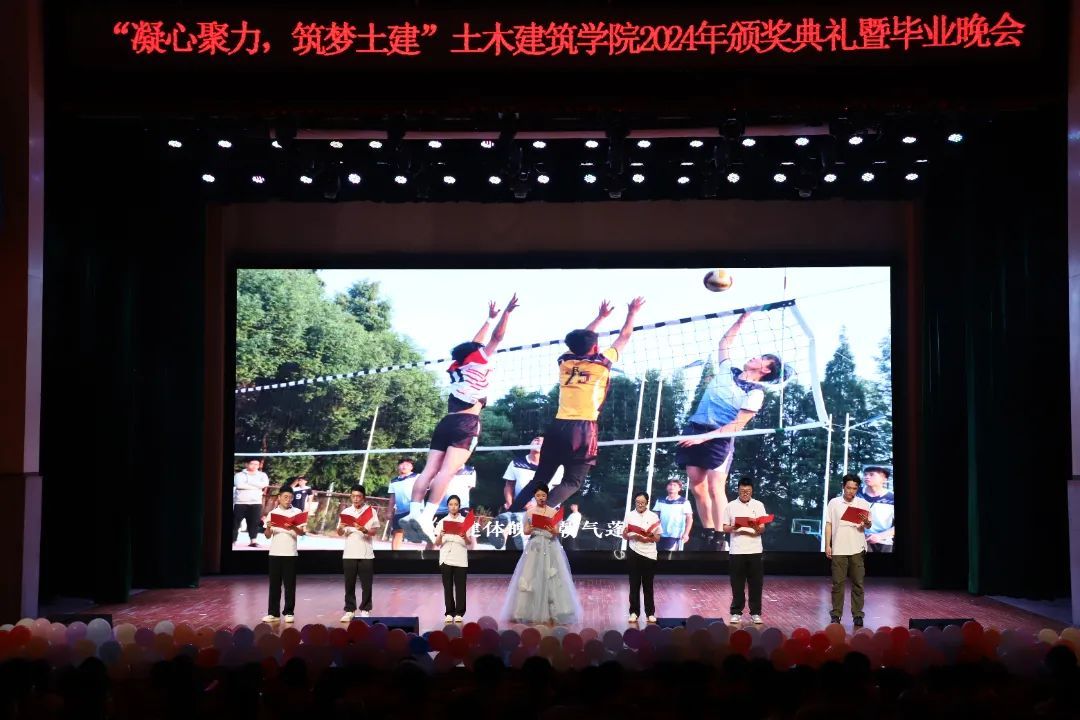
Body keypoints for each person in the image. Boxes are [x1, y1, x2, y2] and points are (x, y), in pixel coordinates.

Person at [508, 298, 646, 512]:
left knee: (540, 478)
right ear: (594, 346)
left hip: (558, 426)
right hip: (583, 428)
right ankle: (539, 512)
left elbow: (581, 339)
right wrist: (632, 312)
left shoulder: (565, 360)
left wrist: (600, 318)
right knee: (573, 482)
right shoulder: (602, 362)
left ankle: (512, 514)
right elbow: (625, 336)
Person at [401, 295, 519, 543]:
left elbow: (474, 343)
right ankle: (427, 517)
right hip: (466, 423)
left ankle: (414, 513)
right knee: (447, 471)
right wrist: (506, 313)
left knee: (429, 470)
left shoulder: (457, 366)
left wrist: (488, 319)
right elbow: (496, 338)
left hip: (446, 422)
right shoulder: (479, 362)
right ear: (475, 353)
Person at [676, 311, 787, 551]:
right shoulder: (729, 369)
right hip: (696, 427)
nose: (755, 357)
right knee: (696, 484)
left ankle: (720, 536)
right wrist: (743, 318)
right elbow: (724, 343)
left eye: (762, 359)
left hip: (719, 437)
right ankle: (708, 531)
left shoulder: (755, 393)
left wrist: (703, 438)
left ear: (766, 370)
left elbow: (736, 425)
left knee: (715, 486)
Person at [501, 487, 582, 625]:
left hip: (550, 545)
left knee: (552, 576)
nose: (541, 498)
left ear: (547, 496)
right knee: (531, 574)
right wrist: (532, 527)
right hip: (535, 546)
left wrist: (551, 529)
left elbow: (556, 531)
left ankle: (555, 611)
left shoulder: (553, 512)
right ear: (535, 496)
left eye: (543, 495)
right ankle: (526, 611)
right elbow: (525, 531)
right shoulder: (529, 512)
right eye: (538, 495)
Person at [825, 474, 873, 627]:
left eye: (854, 488)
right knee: (837, 583)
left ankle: (857, 615)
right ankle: (836, 614)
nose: (851, 491)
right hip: (839, 548)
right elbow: (829, 524)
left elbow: (868, 525)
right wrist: (827, 545)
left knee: (858, 583)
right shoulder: (834, 503)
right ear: (843, 487)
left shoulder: (863, 503)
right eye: (848, 488)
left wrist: (866, 522)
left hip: (857, 548)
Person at [501, 437, 565, 550]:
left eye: (543, 441)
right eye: (536, 439)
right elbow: (509, 486)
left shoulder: (557, 467)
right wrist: (511, 504)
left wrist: (537, 506)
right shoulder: (516, 463)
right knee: (514, 547)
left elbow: (558, 491)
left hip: (545, 513)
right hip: (519, 511)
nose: (539, 442)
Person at [722, 478, 768, 625]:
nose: (745, 493)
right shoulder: (730, 506)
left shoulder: (759, 505)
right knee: (737, 583)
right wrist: (734, 527)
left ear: (752, 491)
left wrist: (755, 526)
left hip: (755, 550)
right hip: (737, 550)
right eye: (742, 491)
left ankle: (756, 613)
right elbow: (724, 527)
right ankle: (736, 612)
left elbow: (762, 528)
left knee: (756, 583)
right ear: (738, 490)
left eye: (748, 491)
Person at [262, 485, 306, 624]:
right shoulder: (272, 513)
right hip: (275, 553)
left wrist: (292, 527)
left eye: (290, 497)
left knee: (289, 585)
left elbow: (302, 533)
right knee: (274, 585)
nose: (288, 500)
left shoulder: (297, 512)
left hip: (290, 553)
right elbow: (267, 535)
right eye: (285, 497)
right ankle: (273, 613)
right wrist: (268, 527)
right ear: (279, 497)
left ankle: (289, 612)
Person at [337, 486, 379, 622]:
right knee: (349, 584)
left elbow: (374, 532)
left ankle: (365, 609)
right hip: (349, 553)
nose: (355, 499)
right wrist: (340, 528)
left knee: (366, 584)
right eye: (353, 496)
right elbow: (340, 533)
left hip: (366, 553)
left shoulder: (370, 511)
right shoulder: (346, 512)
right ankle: (349, 610)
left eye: (358, 496)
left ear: (363, 497)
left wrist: (364, 530)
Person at [622, 491, 661, 624]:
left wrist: (647, 536)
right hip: (634, 552)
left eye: (642, 502)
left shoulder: (653, 516)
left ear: (647, 503)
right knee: (634, 584)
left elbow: (657, 538)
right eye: (637, 502)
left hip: (649, 554)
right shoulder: (630, 515)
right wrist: (628, 534)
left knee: (648, 585)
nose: (640, 505)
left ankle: (650, 613)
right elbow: (624, 535)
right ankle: (634, 612)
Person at [435, 494, 475, 623]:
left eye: (456, 504)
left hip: (460, 558)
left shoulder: (465, 521)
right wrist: (440, 535)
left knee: (460, 587)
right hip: (446, 558)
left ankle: (459, 613)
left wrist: (464, 536)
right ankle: (449, 612)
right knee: (447, 586)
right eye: (451, 504)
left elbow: (469, 543)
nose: (453, 507)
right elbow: (437, 543)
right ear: (447, 506)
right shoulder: (442, 522)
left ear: (459, 506)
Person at [858, 465, 895, 553]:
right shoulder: (856, 494)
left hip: (884, 542)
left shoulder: (892, 497)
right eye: (865, 474)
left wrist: (880, 536)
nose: (867, 477)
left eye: (871, 474)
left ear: (884, 479)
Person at [234, 459, 270, 548]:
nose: (254, 466)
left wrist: (248, 482)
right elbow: (239, 485)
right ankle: (233, 540)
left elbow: (264, 484)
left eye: (257, 464)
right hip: (240, 502)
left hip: (256, 503)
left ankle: (253, 541)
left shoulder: (262, 475)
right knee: (235, 523)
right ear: (247, 464)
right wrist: (257, 486)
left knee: (254, 523)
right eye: (252, 464)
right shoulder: (239, 475)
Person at [653, 479, 694, 551]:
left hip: (675, 535)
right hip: (660, 534)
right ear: (667, 487)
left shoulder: (684, 502)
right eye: (670, 485)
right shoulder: (660, 500)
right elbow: (655, 516)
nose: (672, 487)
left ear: (679, 488)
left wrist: (686, 534)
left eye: (675, 485)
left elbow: (689, 519)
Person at [387, 458, 417, 550]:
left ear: (411, 467)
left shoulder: (417, 477)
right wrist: (389, 511)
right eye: (402, 464)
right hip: (400, 511)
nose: (404, 466)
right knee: (397, 532)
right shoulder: (393, 481)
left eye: (407, 465)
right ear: (398, 466)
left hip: (415, 509)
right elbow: (392, 498)